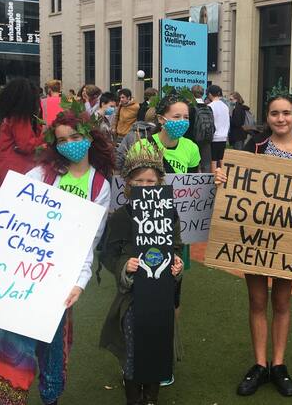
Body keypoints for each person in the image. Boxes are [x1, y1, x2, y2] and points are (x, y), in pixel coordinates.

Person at [0, 110, 114, 405]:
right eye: (62, 140)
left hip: (57, 281)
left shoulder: (100, 186)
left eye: (75, 137)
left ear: (89, 137)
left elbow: (90, 241)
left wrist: (80, 281)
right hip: (18, 276)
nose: (70, 144)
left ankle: (51, 397)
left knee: (53, 350)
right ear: (54, 144)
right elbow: (2, 217)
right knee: (14, 345)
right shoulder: (41, 174)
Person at [214, 86, 292, 398]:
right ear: (267, 117)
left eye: (286, 113)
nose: (280, 118)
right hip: (254, 239)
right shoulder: (253, 146)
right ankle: (259, 364)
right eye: (274, 113)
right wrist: (224, 180)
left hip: (290, 243)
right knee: (256, 301)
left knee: (281, 302)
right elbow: (234, 183)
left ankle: (278, 365)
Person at [99, 145, 185, 405]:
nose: (146, 186)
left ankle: (151, 397)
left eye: (151, 181)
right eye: (139, 181)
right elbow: (108, 254)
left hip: (161, 297)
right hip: (132, 299)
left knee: (158, 346)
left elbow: (176, 246)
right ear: (128, 184)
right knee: (133, 349)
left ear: (160, 183)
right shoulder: (121, 218)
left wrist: (177, 264)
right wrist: (125, 266)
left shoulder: (169, 213)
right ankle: (133, 397)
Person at [127, 89, 200, 387]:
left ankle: (164, 355)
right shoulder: (143, 147)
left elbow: (196, 188)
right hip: (143, 235)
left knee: (173, 294)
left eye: (185, 117)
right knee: (139, 297)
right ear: (161, 119)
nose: (181, 121)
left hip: (176, 234)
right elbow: (129, 186)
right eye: (175, 116)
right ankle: (135, 356)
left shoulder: (191, 148)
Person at [0, 78, 45, 186]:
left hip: (7, 166)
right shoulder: (20, 118)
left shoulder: (11, 116)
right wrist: (46, 135)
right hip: (17, 169)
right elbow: (27, 145)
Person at [191, 84, 214, 172]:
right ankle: (206, 184)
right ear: (203, 94)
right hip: (206, 139)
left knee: (193, 164)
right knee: (206, 164)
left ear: (192, 94)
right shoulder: (209, 108)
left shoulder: (191, 108)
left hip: (193, 139)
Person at [207, 85, 229, 170]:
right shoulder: (225, 106)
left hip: (214, 137)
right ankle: (223, 176)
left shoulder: (210, 106)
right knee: (221, 159)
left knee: (213, 160)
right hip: (223, 136)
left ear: (210, 94)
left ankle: (214, 178)